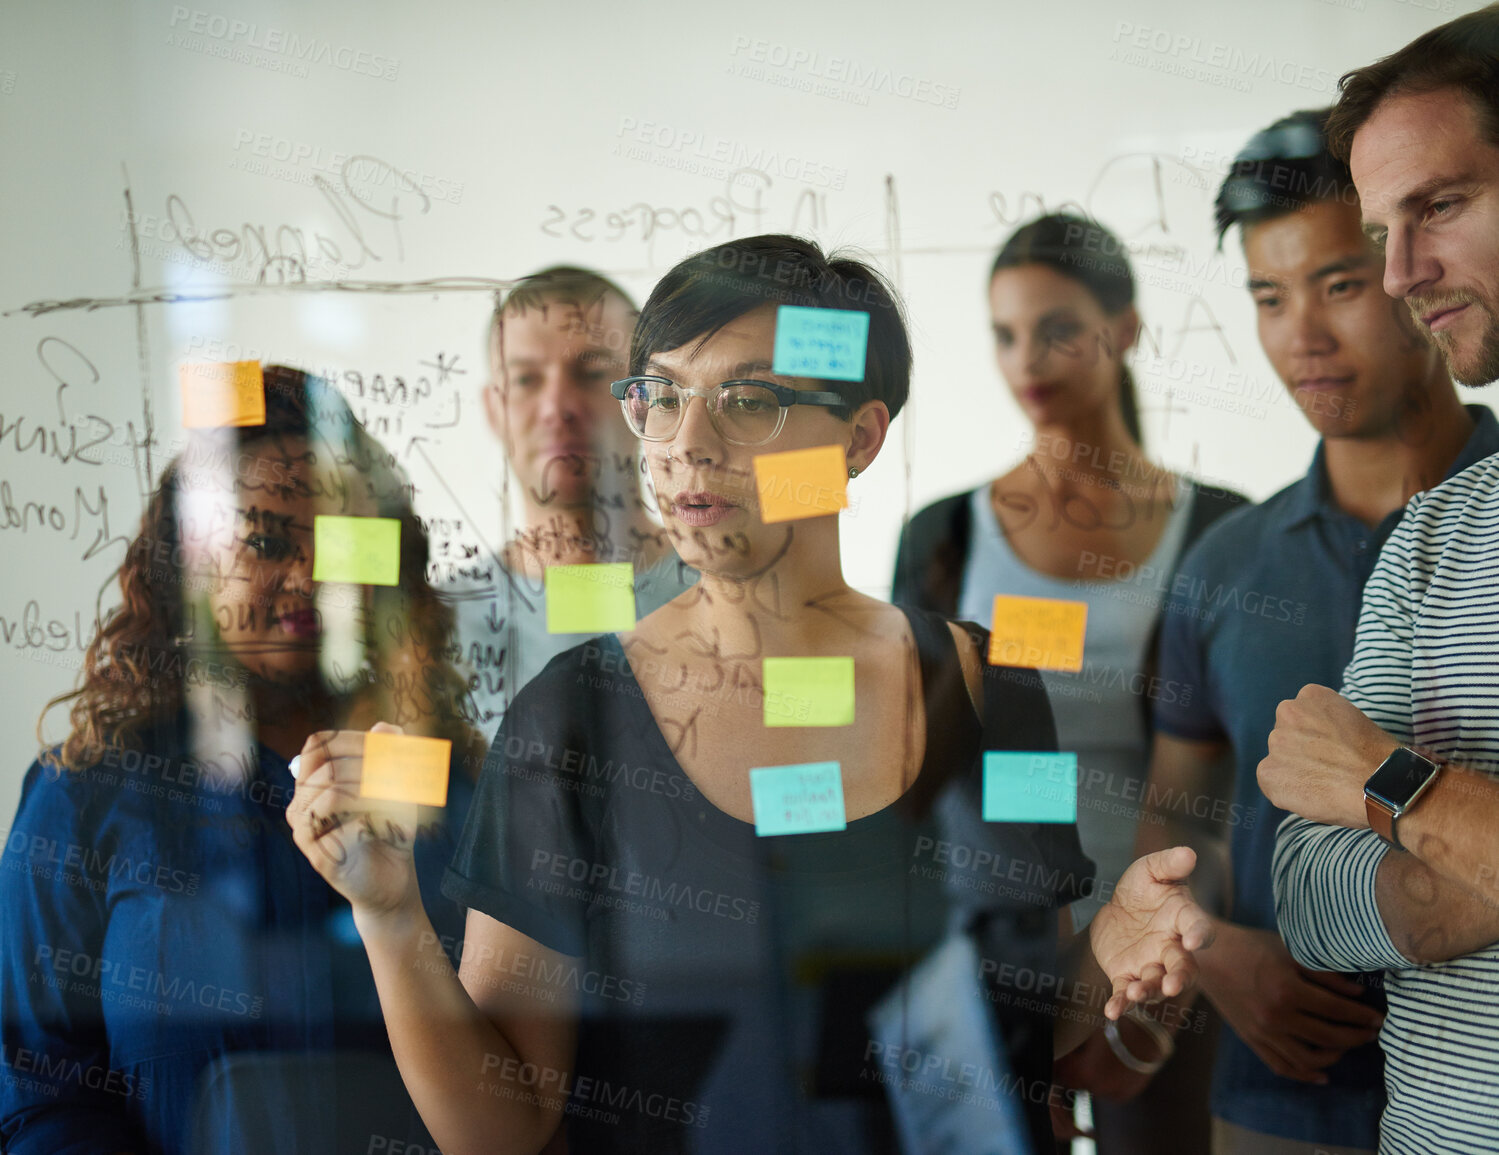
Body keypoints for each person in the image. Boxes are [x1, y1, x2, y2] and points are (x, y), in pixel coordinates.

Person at [288, 235, 1214, 1155]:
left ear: (858, 437)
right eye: (661, 396)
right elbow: (501, 1124)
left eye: (750, 401)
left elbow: (1010, 1032)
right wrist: (390, 913)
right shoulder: (571, 718)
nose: (688, 445)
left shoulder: (994, 688)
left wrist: (1105, 956)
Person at [0, 366, 483, 1154]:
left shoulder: (449, 786)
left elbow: (517, 1079)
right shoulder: (84, 793)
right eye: (263, 540)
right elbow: (43, 1096)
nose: (310, 578)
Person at [1141, 106, 1499, 1155]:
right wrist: (1214, 951)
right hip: (1283, 1100)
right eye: (1267, 296)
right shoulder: (1223, 568)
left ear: (1404, 269)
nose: (1301, 334)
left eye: (1339, 284)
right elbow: (1173, 817)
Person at [891, 212, 1246, 1150]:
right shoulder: (945, 533)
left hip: (1167, 938)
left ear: (1124, 328)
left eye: (1056, 327)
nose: (1026, 360)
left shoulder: (1219, 530)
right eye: (1004, 334)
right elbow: (901, 769)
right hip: (988, 938)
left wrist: (1182, 934)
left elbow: (1228, 778)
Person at [1260, 10, 1499, 1154]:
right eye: (1382, 228)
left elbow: (1352, 813)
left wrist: (1387, 788)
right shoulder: (1437, 536)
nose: (1403, 272)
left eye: (1440, 206)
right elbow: (1305, 893)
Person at [448, 266, 694, 735]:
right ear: (492, 408)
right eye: (524, 380)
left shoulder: (732, 591)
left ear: (646, 397)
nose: (557, 405)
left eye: (592, 371)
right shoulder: (440, 621)